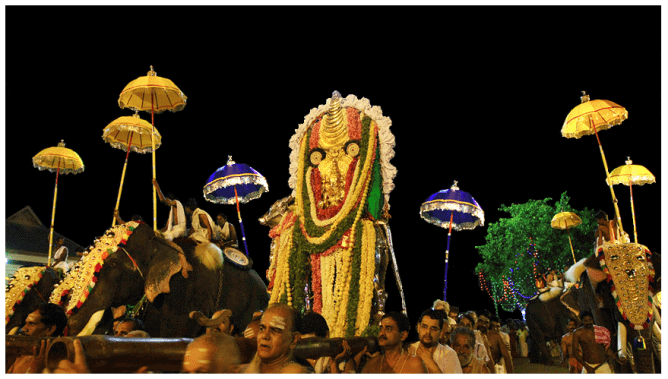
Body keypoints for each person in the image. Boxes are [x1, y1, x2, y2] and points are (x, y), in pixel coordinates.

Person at [242, 303, 310, 373]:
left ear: (293, 340)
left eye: (275, 330)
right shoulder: (248, 368)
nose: (265, 336)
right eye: (262, 328)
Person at [7, 303, 68, 373]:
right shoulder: (23, 353)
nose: (24, 329)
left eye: (31, 323)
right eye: (26, 323)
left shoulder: (59, 362)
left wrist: (36, 368)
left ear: (50, 329)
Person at [360, 311, 427, 373]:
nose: (382, 333)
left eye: (388, 329)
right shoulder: (372, 364)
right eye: (381, 328)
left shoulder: (415, 364)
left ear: (402, 335)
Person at [409, 308, 462, 373]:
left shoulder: (449, 354)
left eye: (433, 328)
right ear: (419, 328)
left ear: (440, 333)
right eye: (425, 326)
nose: (428, 332)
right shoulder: (409, 350)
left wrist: (430, 363)